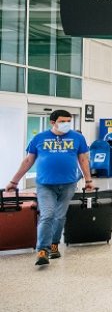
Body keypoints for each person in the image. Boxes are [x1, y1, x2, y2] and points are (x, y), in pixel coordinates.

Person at [5, 110, 94, 266]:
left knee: (60, 216)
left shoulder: (77, 138)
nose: (67, 123)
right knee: (47, 215)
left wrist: (88, 180)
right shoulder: (39, 138)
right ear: (52, 122)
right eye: (63, 121)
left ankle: (54, 244)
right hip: (45, 184)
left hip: (68, 184)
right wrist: (14, 182)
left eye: (69, 120)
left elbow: (83, 160)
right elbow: (28, 161)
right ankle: (42, 250)